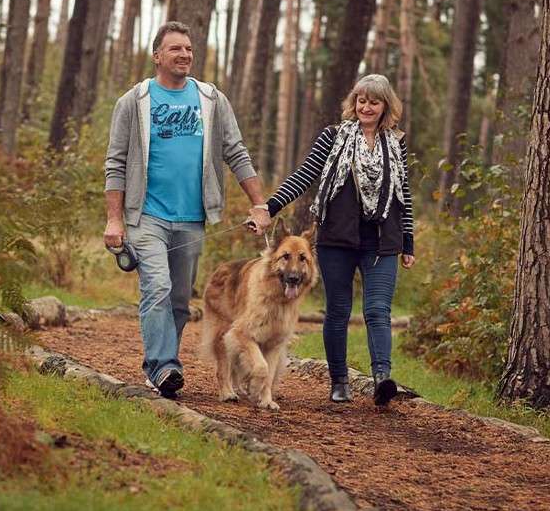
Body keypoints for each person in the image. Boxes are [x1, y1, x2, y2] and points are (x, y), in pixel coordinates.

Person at [104, 21, 271, 399]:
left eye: (189, 49)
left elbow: (236, 152)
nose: (184, 55)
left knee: (179, 298)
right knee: (157, 287)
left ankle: (164, 366)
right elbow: (115, 163)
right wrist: (115, 218)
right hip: (146, 215)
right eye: (176, 48)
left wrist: (259, 204)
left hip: (192, 218)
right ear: (157, 55)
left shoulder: (211, 100)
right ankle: (163, 366)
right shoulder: (135, 101)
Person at [251, 74, 416, 406]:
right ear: (354, 103)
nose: (367, 107)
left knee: (377, 310)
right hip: (336, 238)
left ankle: (382, 379)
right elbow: (305, 175)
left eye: (374, 101)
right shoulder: (333, 137)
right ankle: (339, 381)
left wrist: (408, 241)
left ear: (386, 106)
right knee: (338, 310)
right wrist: (269, 207)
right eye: (362, 100)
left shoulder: (396, 142)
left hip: (382, 240)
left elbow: (404, 193)